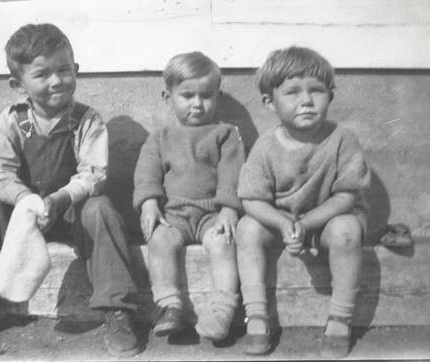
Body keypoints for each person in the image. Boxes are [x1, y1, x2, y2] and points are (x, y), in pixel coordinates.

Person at [0, 23, 141, 357]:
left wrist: (59, 199)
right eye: (42, 74)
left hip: (72, 213)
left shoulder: (87, 121)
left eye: (64, 69)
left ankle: (118, 309)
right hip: (23, 218)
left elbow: (94, 173)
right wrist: (26, 201)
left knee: (100, 207)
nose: (57, 80)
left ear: (77, 70)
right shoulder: (12, 120)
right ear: (18, 85)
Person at [235, 46, 371, 358]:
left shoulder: (342, 139)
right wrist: (284, 223)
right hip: (282, 221)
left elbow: (347, 195)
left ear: (331, 96)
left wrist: (306, 224)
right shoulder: (266, 147)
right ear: (270, 102)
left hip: (331, 219)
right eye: (292, 92)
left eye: (317, 91)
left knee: (347, 229)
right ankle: (256, 314)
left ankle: (341, 316)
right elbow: (252, 200)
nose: (306, 101)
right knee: (247, 229)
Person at [133, 51, 245, 342]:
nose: (197, 103)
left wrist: (229, 210)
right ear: (168, 97)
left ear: (217, 96)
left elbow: (232, 174)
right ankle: (170, 305)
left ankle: (223, 309)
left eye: (206, 95)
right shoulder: (160, 137)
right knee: (159, 240)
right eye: (187, 95)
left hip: (212, 215)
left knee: (223, 242)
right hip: (174, 214)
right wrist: (149, 204)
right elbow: (147, 174)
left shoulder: (225, 134)